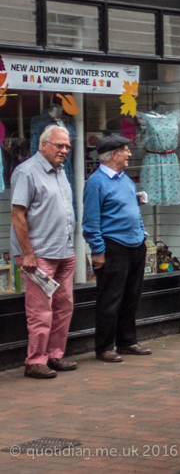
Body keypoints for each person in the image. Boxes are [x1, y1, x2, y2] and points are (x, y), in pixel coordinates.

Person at [11, 125, 77, 379]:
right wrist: (28, 254)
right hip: (38, 256)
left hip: (64, 251)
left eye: (68, 146)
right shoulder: (26, 172)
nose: (64, 150)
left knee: (64, 307)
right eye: (59, 145)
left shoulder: (61, 172)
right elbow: (17, 215)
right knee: (40, 311)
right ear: (43, 145)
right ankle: (35, 361)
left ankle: (55, 355)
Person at [83, 135, 150, 363]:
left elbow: (134, 209)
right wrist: (98, 251)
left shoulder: (125, 180)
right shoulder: (96, 182)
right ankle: (104, 347)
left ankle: (127, 341)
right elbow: (91, 222)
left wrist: (143, 235)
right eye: (125, 150)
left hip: (135, 245)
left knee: (132, 296)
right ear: (113, 155)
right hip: (113, 247)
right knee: (110, 299)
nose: (129, 154)